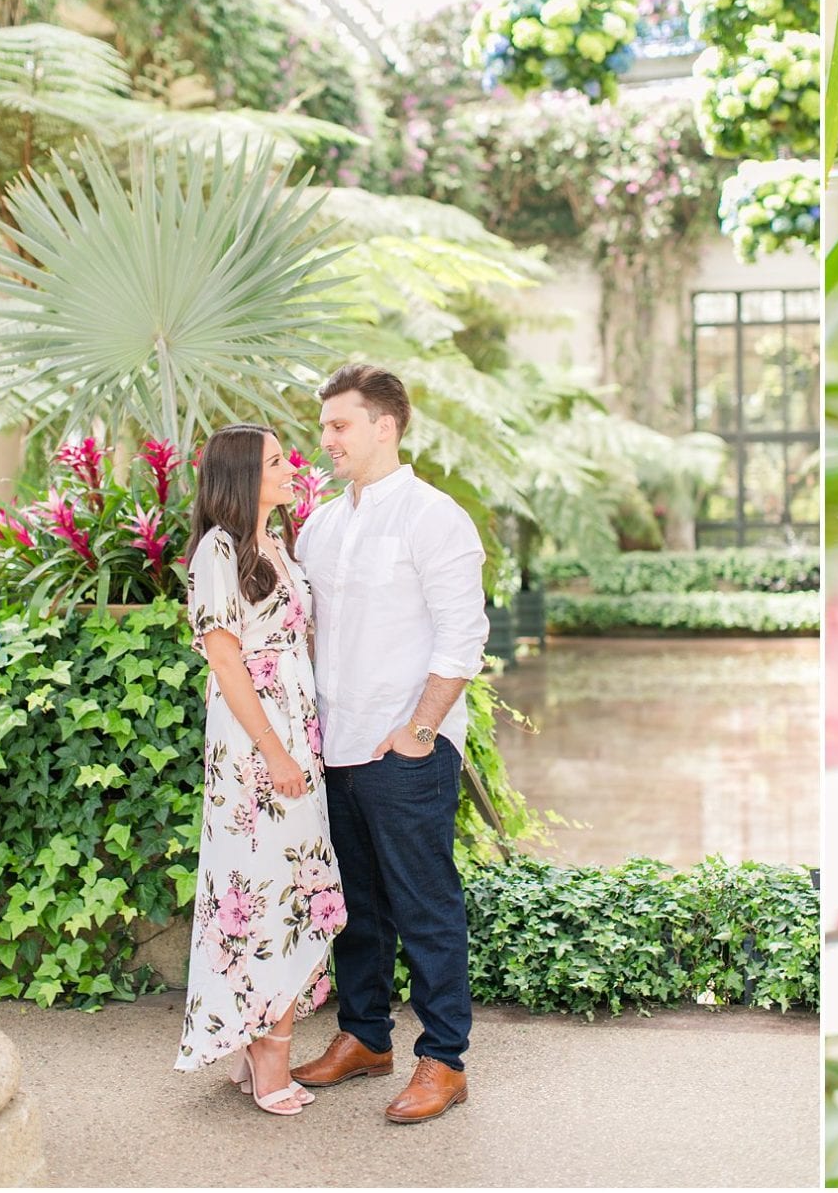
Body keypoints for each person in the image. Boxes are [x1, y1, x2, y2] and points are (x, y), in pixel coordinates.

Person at [290, 365, 488, 1125]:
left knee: (425, 906)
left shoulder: (435, 519)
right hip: (333, 751)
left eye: (340, 424)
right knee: (357, 908)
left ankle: (444, 1060)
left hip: (406, 753)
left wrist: (419, 731)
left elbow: (463, 636)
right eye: (324, 426)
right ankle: (365, 1036)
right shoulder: (320, 525)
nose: (327, 439)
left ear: (386, 426)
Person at [176, 425, 344, 1117]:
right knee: (267, 880)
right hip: (257, 747)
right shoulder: (218, 549)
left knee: (288, 879)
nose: (291, 467)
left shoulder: (276, 542)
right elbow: (225, 660)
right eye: (276, 461)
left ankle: (258, 1038)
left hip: (295, 734)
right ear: (245, 475)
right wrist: (275, 752)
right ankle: (268, 1050)